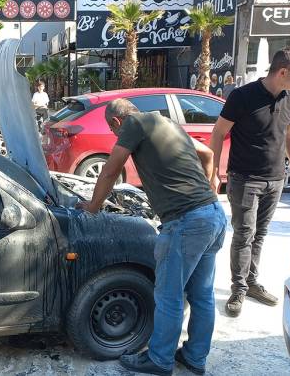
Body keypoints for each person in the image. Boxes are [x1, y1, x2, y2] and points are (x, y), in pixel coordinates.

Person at [78, 99, 226, 376]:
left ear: (116, 122)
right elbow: (207, 154)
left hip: (186, 221)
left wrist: (93, 206)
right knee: (202, 295)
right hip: (212, 214)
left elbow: (111, 169)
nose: (115, 136)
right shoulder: (167, 123)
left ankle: (159, 360)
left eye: (113, 132)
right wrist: (208, 189)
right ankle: (195, 357)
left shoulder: (133, 123)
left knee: (168, 296)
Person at [209, 46, 290, 318]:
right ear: (283, 71)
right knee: (244, 234)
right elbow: (218, 134)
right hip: (245, 179)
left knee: (260, 235)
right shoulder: (242, 96)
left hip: (275, 178)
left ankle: (252, 283)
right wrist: (214, 173)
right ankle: (238, 288)